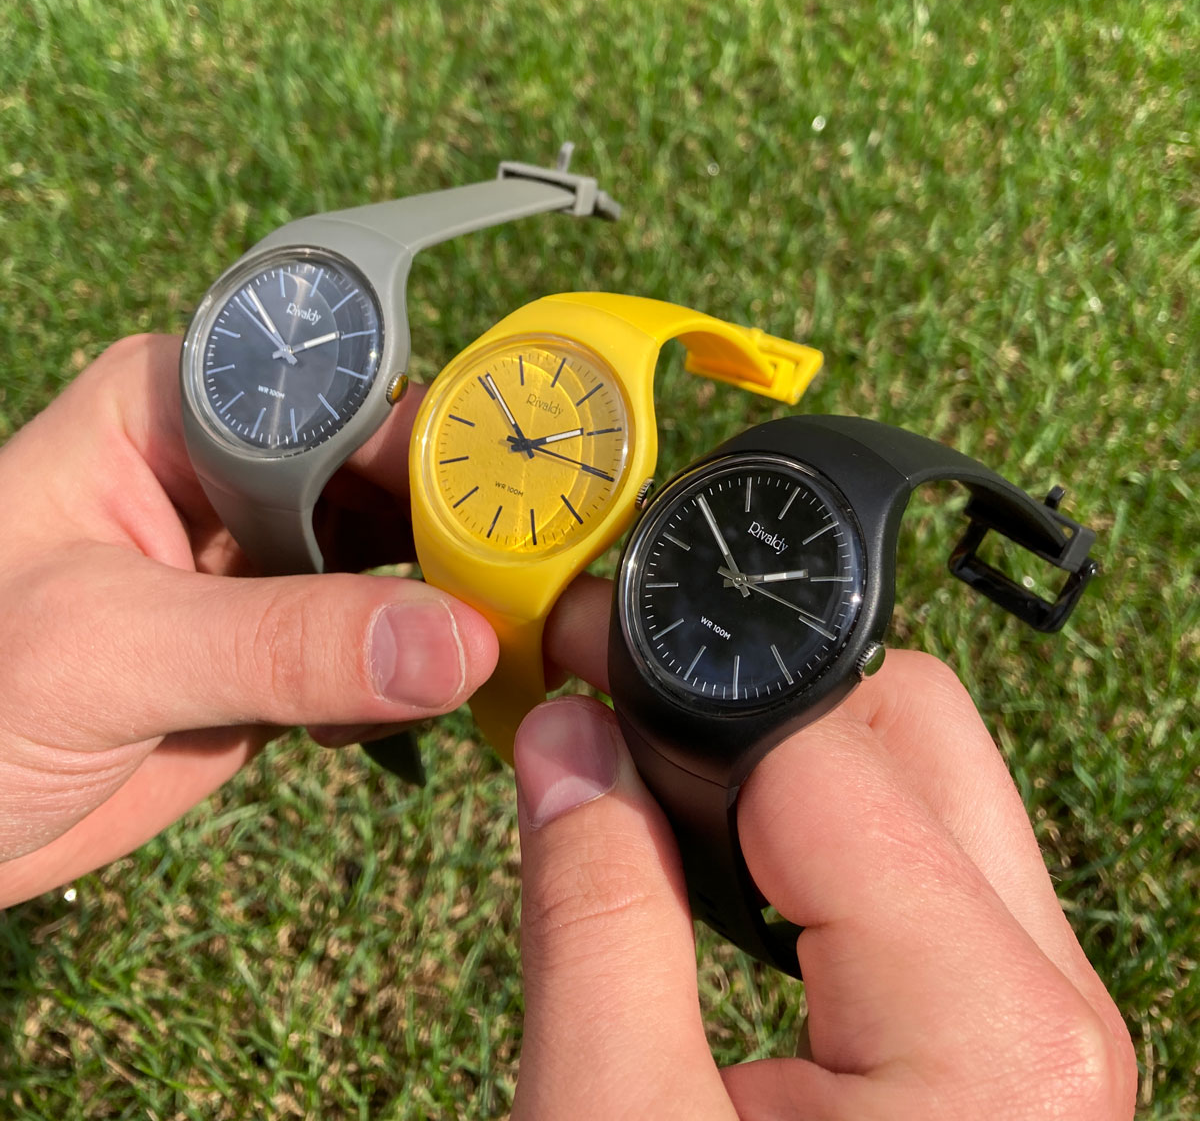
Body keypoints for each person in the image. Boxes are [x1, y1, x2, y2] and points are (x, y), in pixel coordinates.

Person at [0, 336, 1137, 1118]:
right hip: (676, 661)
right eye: (739, 566)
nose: (743, 576)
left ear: (860, 643)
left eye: (767, 583)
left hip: (694, 678)